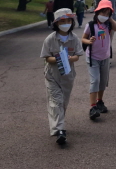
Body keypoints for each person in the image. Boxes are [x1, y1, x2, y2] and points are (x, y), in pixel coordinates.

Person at [40, 8, 84, 145]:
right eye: (62, 21)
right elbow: (47, 58)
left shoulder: (74, 38)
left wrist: (70, 58)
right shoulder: (50, 39)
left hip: (68, 76)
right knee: (56, 101)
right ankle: (60, 130)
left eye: (68, 21)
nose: (66, 23)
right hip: (52, 75)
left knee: (63, 102)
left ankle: (57, 124)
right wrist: (59, 58)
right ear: (57, 23)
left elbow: (78, 56)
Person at [81, 0, 116, 120]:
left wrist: (110, 19)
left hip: (105, 57)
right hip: (93, 57)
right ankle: (92, 106)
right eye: (102, 13)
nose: (104, 15)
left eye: (107, 13)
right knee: (95, 80)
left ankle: (100, 101)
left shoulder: (108, 25)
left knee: (103, 81)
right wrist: (89, 41)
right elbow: (83, 39)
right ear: (97, 12)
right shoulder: (90, 25)